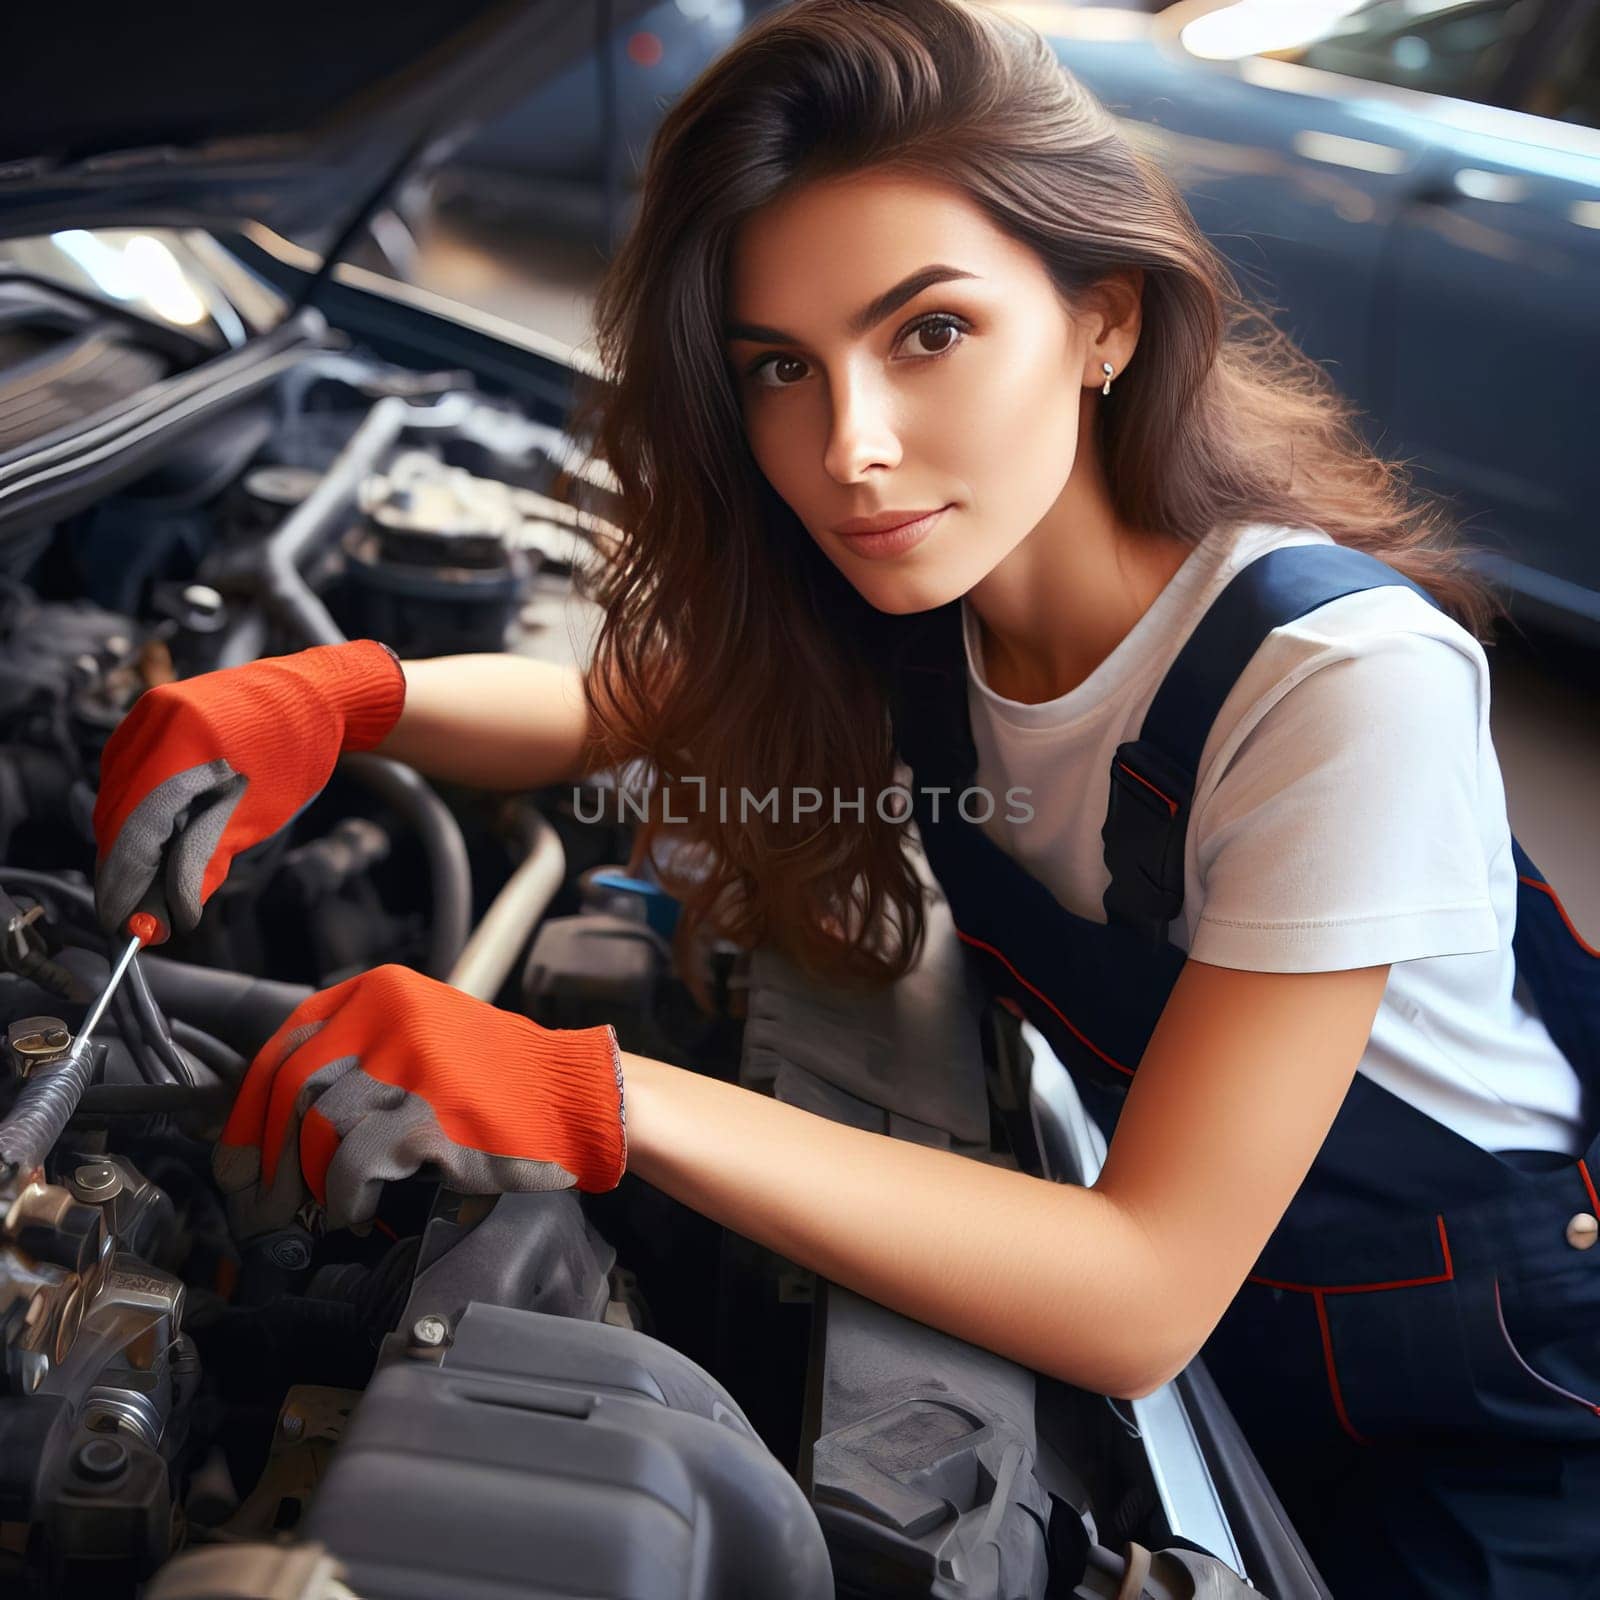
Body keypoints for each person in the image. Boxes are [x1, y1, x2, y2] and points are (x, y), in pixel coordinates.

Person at [90, 1, 1600, 1593]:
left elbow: (1144, 1288)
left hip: (1503, 1404)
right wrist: (342, 697)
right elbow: (597, 714)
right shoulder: (926, 603)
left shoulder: (1335, 678)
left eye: (929, 333)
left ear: (1109, 322)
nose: (850, 450)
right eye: (779, 370)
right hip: (1242, 1345)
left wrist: (592, 1092)